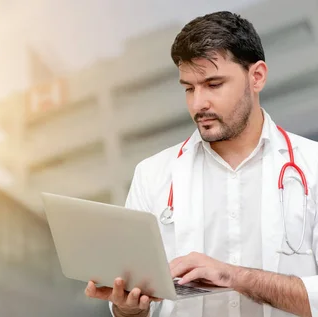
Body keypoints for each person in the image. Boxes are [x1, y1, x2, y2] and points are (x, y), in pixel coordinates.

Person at [84, 10, 318, 317]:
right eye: (189, 88)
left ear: (257, 77)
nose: (198, 104)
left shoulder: (312, 165)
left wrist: (235, 277)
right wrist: (127, 309)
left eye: (213, 84)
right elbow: (138, 307)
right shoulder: (152, 175)